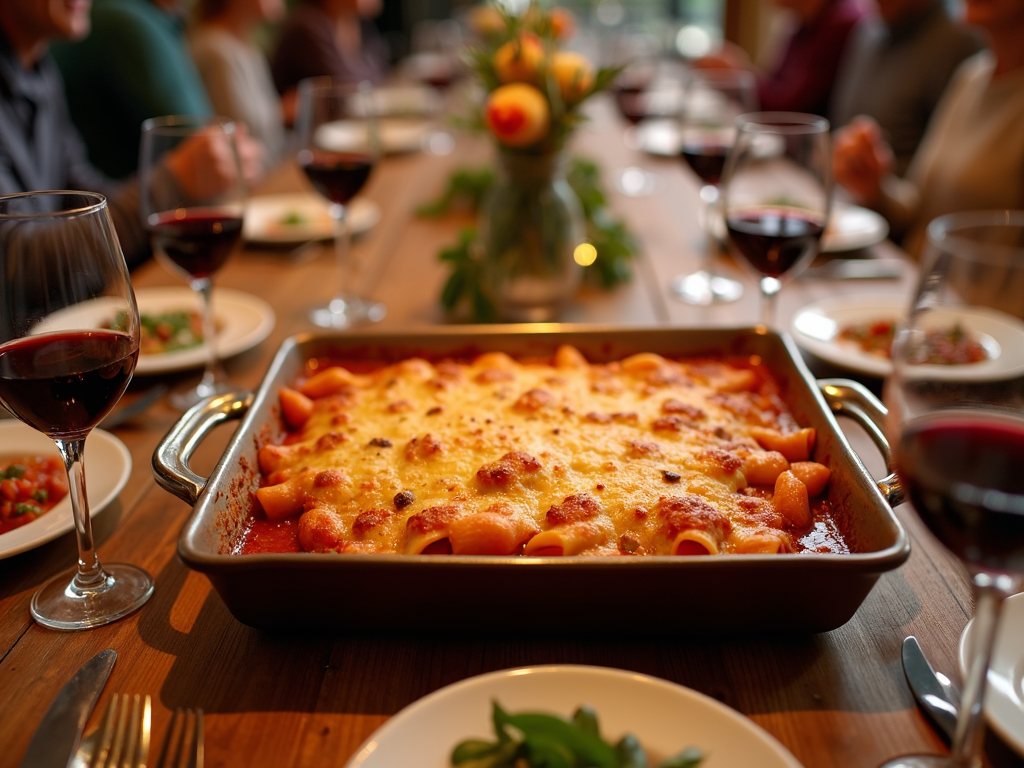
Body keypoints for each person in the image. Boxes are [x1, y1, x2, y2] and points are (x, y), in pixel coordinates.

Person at [0, 0, 261, 271]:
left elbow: (82, 196)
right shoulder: (126, 22)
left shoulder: (40, 72)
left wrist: (179, 184)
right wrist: (176, 181)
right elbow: (17, 264)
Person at [833, 0, 1024, 256]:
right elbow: (918, 210)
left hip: (965, 295)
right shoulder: (972, 76)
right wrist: (874, 187)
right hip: (923, 284)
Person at [50, 0, 213, 180]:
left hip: (123, 198)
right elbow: (203, 149)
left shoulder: (41, 73)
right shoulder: (123, 18)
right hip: (136, 197)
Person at [830, 0, 981, 176]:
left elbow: (942, 176)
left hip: (891, 195)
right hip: (848, 189)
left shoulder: (957, 40)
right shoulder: (866, 30)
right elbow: (839, 124)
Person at [697, 0, 864, 116]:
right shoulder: (800, 21)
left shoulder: (842, 22)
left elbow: (789, 112)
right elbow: (775, 87)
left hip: (808, 159)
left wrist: (738, 74)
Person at [190, 0, 288, 171]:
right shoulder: (214, 52)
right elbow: (240, 147)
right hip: (253, 188)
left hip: (270, 179)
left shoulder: (247, 48)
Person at [271, 0, 388, 102]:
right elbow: (347, 91)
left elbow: (378, 78)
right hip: (304, 127)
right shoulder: (308, 27)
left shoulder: (359, 25)